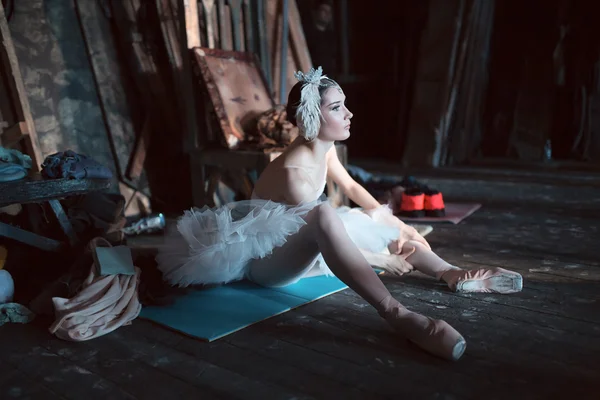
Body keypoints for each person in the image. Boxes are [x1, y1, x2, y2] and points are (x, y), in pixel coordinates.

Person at [157, 67, 523, 362]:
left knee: (371, 220)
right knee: (326, 217)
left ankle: (451, 273)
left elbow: (352, 190)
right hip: (271, 262)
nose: (349, 114)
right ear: (312, 118)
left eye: (344, 104)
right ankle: (398, 315)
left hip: (308, 236)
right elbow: (322, 241)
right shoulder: (294, 174)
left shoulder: (324, 149)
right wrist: (380, 259)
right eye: (336, 108)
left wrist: (397, 224)